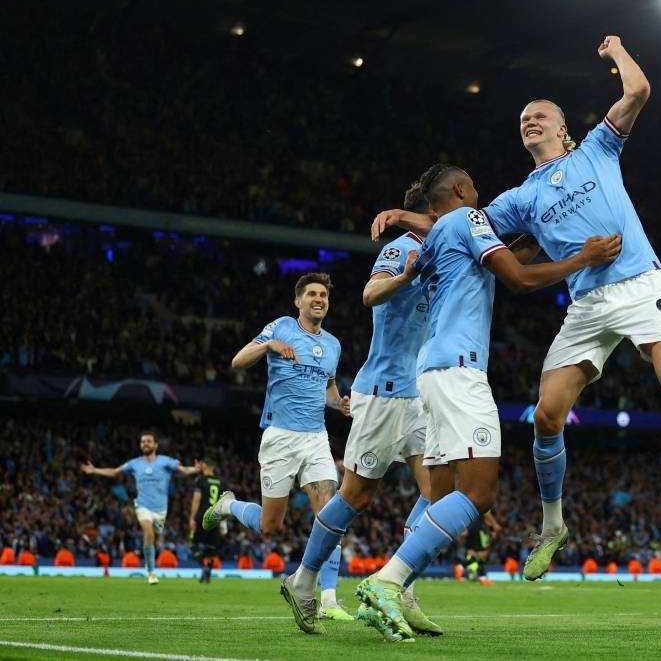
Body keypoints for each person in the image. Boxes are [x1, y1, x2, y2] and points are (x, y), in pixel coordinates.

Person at [370, 35, 661, 581]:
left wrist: (618, 50)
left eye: (540, 116)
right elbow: (466, 225)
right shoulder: (518, 200)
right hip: (585, 302)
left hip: (638, 283)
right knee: (546, 416)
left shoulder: (598, 150)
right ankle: (553, 524)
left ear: (562, 128)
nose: (529, 121)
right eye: (524, 118)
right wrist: (408, 216)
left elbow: (640, 89)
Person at [354, 163, 621, 643]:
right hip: (460, 370)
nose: (482, 195)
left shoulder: (439, 236)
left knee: (438, 497)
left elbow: (503, 257)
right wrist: (582, 257)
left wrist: (540, 229)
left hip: (431, 374)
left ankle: (398, 590)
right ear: (461, 191)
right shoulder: (468, 218)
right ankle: (386, 581)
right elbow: (518, 278)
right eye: (475, 187)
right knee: (478, 495)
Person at [279, 186, 443, 636]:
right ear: (433, 209)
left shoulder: (446, 249)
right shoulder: (402, 247)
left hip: (421, 394)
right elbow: (370, 294)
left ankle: (398, 587)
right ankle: (304, 581)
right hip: (384, 391)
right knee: (357, 496)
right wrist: (408, 275)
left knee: (441, 494)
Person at [201, 273, 352, 620]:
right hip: (280, 436)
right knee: (271, 526)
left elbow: (328, 389)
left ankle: (327, 598)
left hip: (316, 438)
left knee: (331, 514)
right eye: (311, 294)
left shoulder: (333, 344)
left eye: (324, 295)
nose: (319, 299)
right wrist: (268, 345)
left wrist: (339, 403)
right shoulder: (281, 326)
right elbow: (238, 361)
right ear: (297, 301)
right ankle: (229, 506)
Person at [80, 430, 200, 584]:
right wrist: (95, 470)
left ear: (155, 445)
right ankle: (151, 572)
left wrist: (195, 469)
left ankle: (149, 561)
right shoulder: (134, 463)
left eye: (149, 441)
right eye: (143, 442)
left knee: (154, 541)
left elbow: (183, 469)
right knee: (148, 532)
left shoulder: (166, 461)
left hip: (161, 509)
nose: (145, 444)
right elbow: (115, 472)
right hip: (143, 506)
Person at [189, 457, 226, 584]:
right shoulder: (221, 482)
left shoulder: (201, 480)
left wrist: (192, 518)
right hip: (216, 518)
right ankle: (207, 572)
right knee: (212, 548)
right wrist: (223, 523)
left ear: (204, 465)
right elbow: (224, 504)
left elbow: (196, 500)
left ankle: (203, 566)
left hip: (202, 517)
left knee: (193, 546)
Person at [463, 510, 502, 585]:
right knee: (482, 555)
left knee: (472, 552)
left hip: (470, 526)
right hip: (479, 528)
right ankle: (462, 567)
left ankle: (476, 575)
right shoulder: (486, 501)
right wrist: (494, 524)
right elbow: (486, 512)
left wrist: (491, 530)